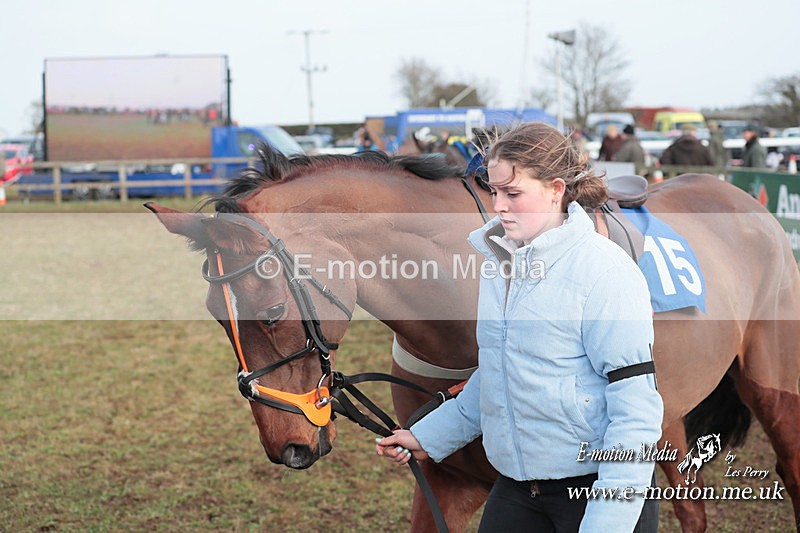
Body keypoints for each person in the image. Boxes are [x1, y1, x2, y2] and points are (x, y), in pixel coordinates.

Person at [376, 122, 663, 532]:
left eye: (513, 193)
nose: (499, 206)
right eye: (494, 192)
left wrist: (610, 520)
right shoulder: (499, 264)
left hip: (595, 491)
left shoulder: (606, 272)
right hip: (517, 486)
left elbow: (636, 411)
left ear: (556, 189)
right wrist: (427, 437)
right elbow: (498, 376)